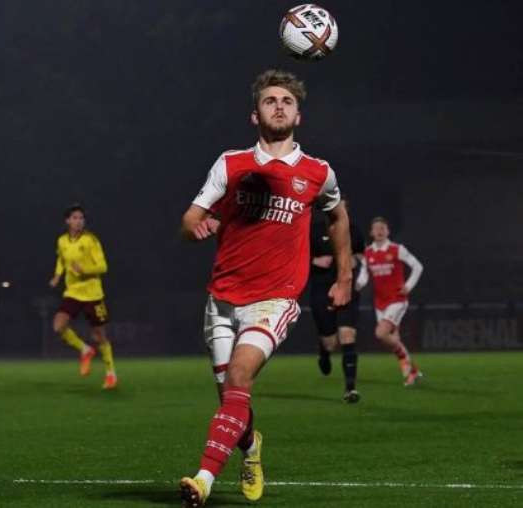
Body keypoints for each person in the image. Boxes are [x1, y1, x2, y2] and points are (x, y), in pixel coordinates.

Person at [179, 69, 352, 506]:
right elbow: (189, 219)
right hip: (221, 299)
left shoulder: (318, 172)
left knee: (239, 376)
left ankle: (203, 479)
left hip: (275, 299)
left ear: (299, 115)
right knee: (230, 400)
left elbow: (339, 218)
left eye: (287, 101)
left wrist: (345, 276)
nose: (279, 106)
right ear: (255, 115)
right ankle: (251, 448)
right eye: (270, 100)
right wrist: (198, 226)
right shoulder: (231, 163)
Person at [49, 204, 117, 389]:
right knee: (58, 325)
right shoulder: (62, 241)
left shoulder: (91, 240)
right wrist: (57, 275)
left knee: (99, 335)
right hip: (73, 292)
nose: (78, 221)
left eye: (81, 218)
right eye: (75, 218)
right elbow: (61, 260)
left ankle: (111, 373)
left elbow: (103, 266)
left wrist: (85, 270)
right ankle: (85, 350)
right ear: (67, 221)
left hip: (93, 294)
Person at [356, 216, 424, 386]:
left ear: (388, 231)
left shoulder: (397, 249)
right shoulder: (368, 253)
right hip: (380, 303)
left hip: (397, 299)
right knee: (393, 339)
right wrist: (355, 286)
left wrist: (408, 285)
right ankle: (412, 372)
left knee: (381, 333)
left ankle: (412, 369)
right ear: (371, 232)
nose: (379, 231)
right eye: (376, 228)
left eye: (382, 228)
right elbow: (364, 277)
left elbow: (417, 266)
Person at [309, 202, 365, 402]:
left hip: (344, 286)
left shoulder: (353, 230)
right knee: (331, 342)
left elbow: (361, 254)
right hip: (321, 289)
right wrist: (314, 261)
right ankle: (324, 351)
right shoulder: (313, 229)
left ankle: (350, 389)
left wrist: (356, 261)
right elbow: (296, 255)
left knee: (347, 335)